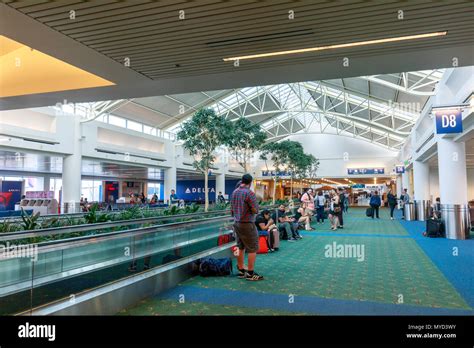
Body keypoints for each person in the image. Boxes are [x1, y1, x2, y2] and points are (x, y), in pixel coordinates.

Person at [230, 174, 263, 281]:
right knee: (252, 248)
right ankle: (250, 273)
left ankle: (241, 271)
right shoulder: (249, 193)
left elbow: (232, 209)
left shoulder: (234, 192)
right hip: (247, 223)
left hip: (237, 223)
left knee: (240, 246)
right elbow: (255, 210)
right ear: (250, 182)